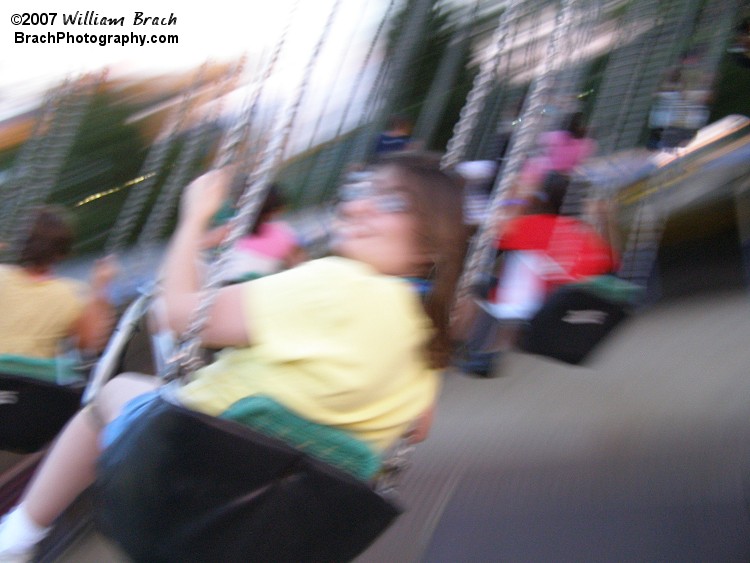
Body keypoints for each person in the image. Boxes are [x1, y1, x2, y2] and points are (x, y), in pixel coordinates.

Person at [0, 152, 468, 560]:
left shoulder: (333, 280)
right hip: (283, 518)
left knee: (115, 393)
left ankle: (19, 535)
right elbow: (417, 428)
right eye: (361, 189)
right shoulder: (427, 336)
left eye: (392, 202)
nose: (359, 205)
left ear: (431, 242)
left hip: (189, 463)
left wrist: (193, 220)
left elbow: (175, 314)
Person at [455, 173, 617, 377]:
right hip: (570, 300)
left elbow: (492, 233)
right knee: (520, 264)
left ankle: (485, 350)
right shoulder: (583, 230)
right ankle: (491, 348)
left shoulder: (533, 226)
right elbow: (610, 263)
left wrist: (514, 203)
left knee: (480, 283)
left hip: (541, 305)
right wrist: (603, 219)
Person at [0, 206, 117, 362]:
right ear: (62, 253)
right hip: (31, 382)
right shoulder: (73, 293)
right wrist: (100, 286)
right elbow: (89, 344)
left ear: (21, 246)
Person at [202, 183, 303, 283]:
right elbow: (299, 266)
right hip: (254, 290)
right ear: (277, 210)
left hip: (224, 286)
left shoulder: (232, 229)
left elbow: (198, 244)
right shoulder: (284, 235)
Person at [516, 111, 597, 200]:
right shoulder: (587, 144)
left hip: (550, 172)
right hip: (560, 174)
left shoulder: (561, 136)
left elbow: (539, 140)